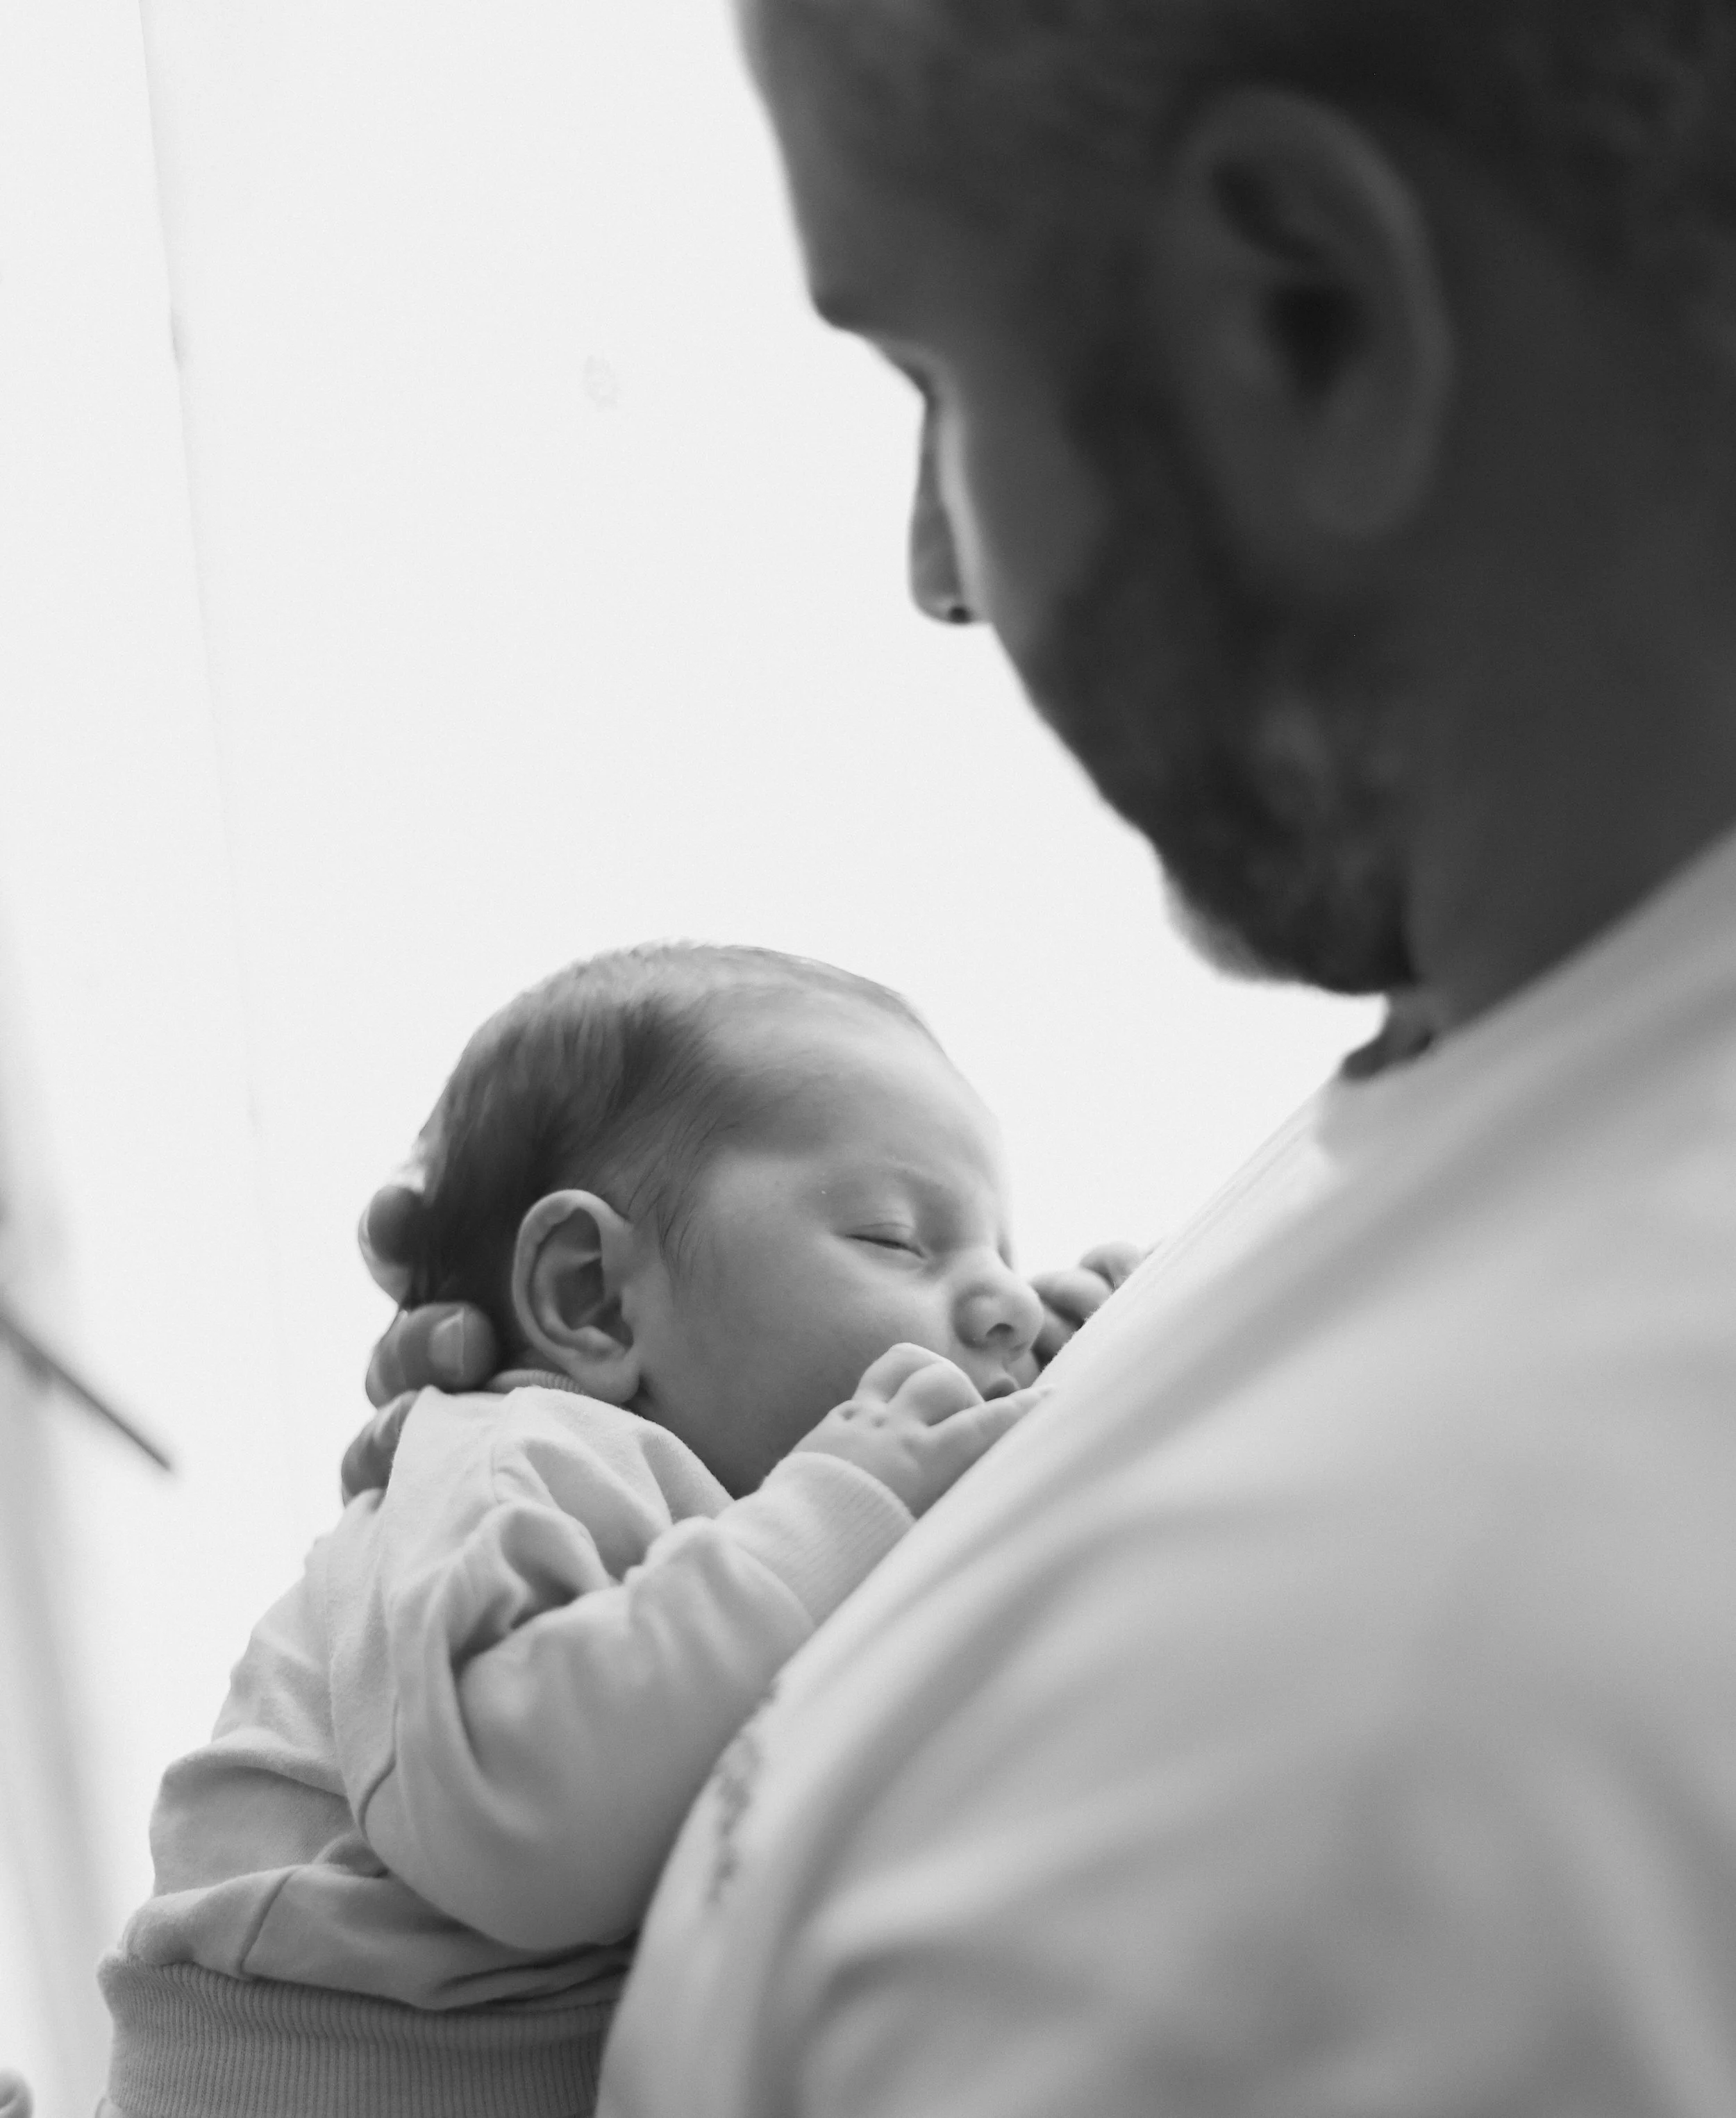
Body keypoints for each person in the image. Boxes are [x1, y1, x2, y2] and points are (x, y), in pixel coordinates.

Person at [361, 3, 1736, 2112]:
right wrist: (623, 1498)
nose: (933, 566)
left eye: (930, 373)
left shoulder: (1372, 1752)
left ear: (1304, 316)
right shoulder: (1529, 1027)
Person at [98, 942, 1140, 2118]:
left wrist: (1089, 1369)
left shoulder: (731, 1523)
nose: (1001, 1296)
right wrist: (845, 1496)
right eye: (898, 1238)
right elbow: (517, 1814)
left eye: (999, 1250)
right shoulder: (519, 1451)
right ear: (593, 1292)